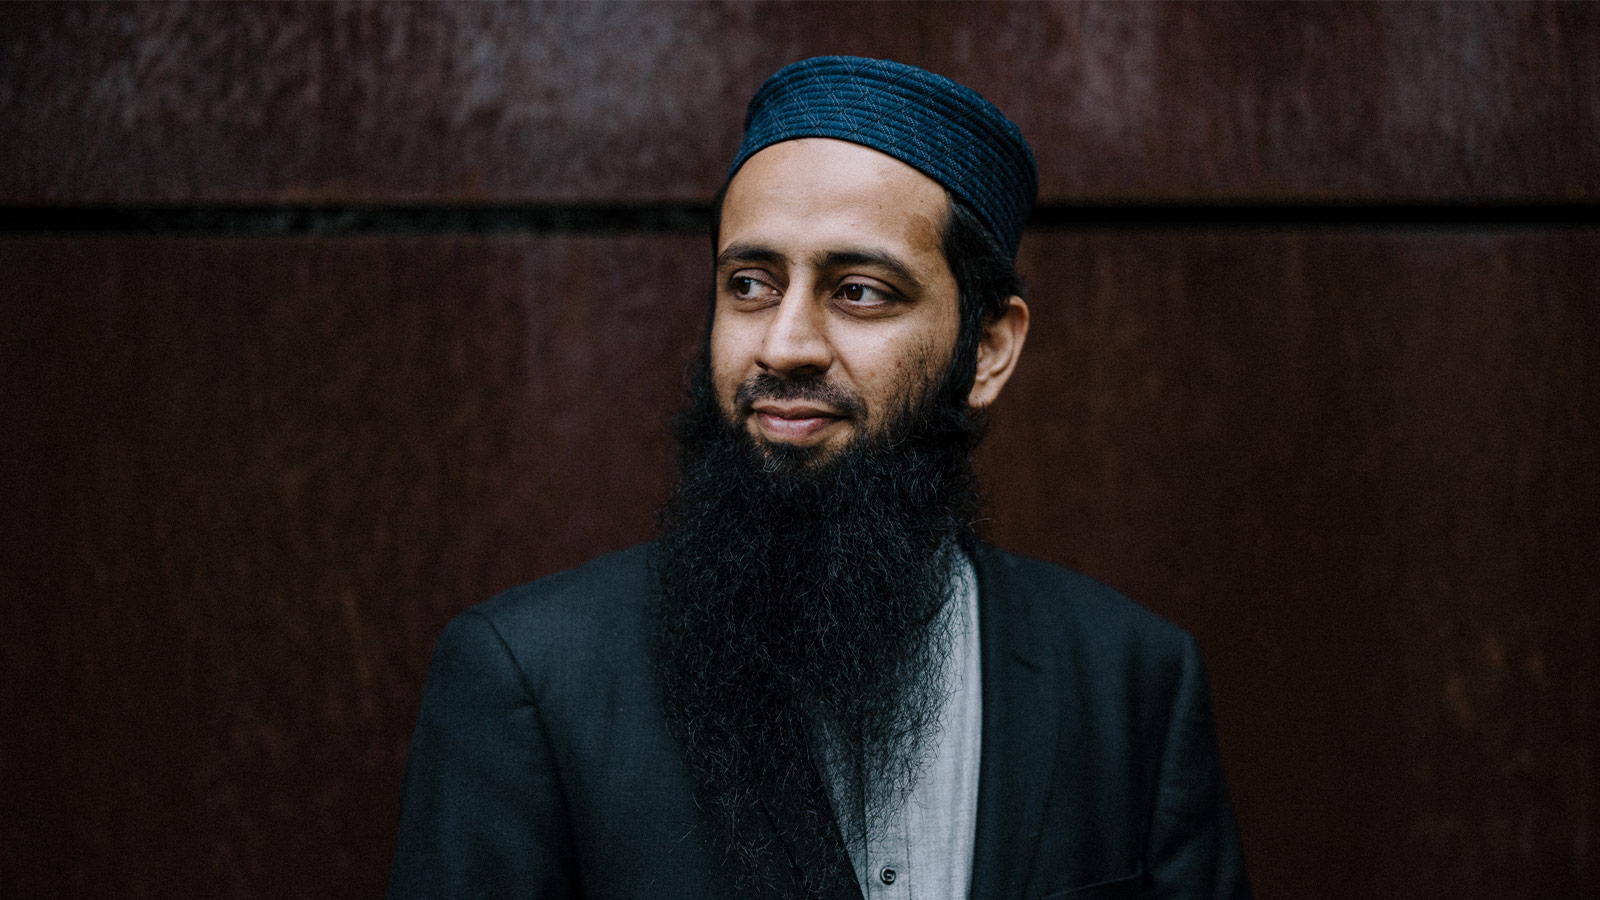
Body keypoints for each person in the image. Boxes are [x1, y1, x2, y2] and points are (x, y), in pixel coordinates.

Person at [389, 56, 1251, 900]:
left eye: (861, 291)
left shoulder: (1131, 681)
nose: (785, 343)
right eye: (752, 284)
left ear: (987, 350)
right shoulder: (528, 680)